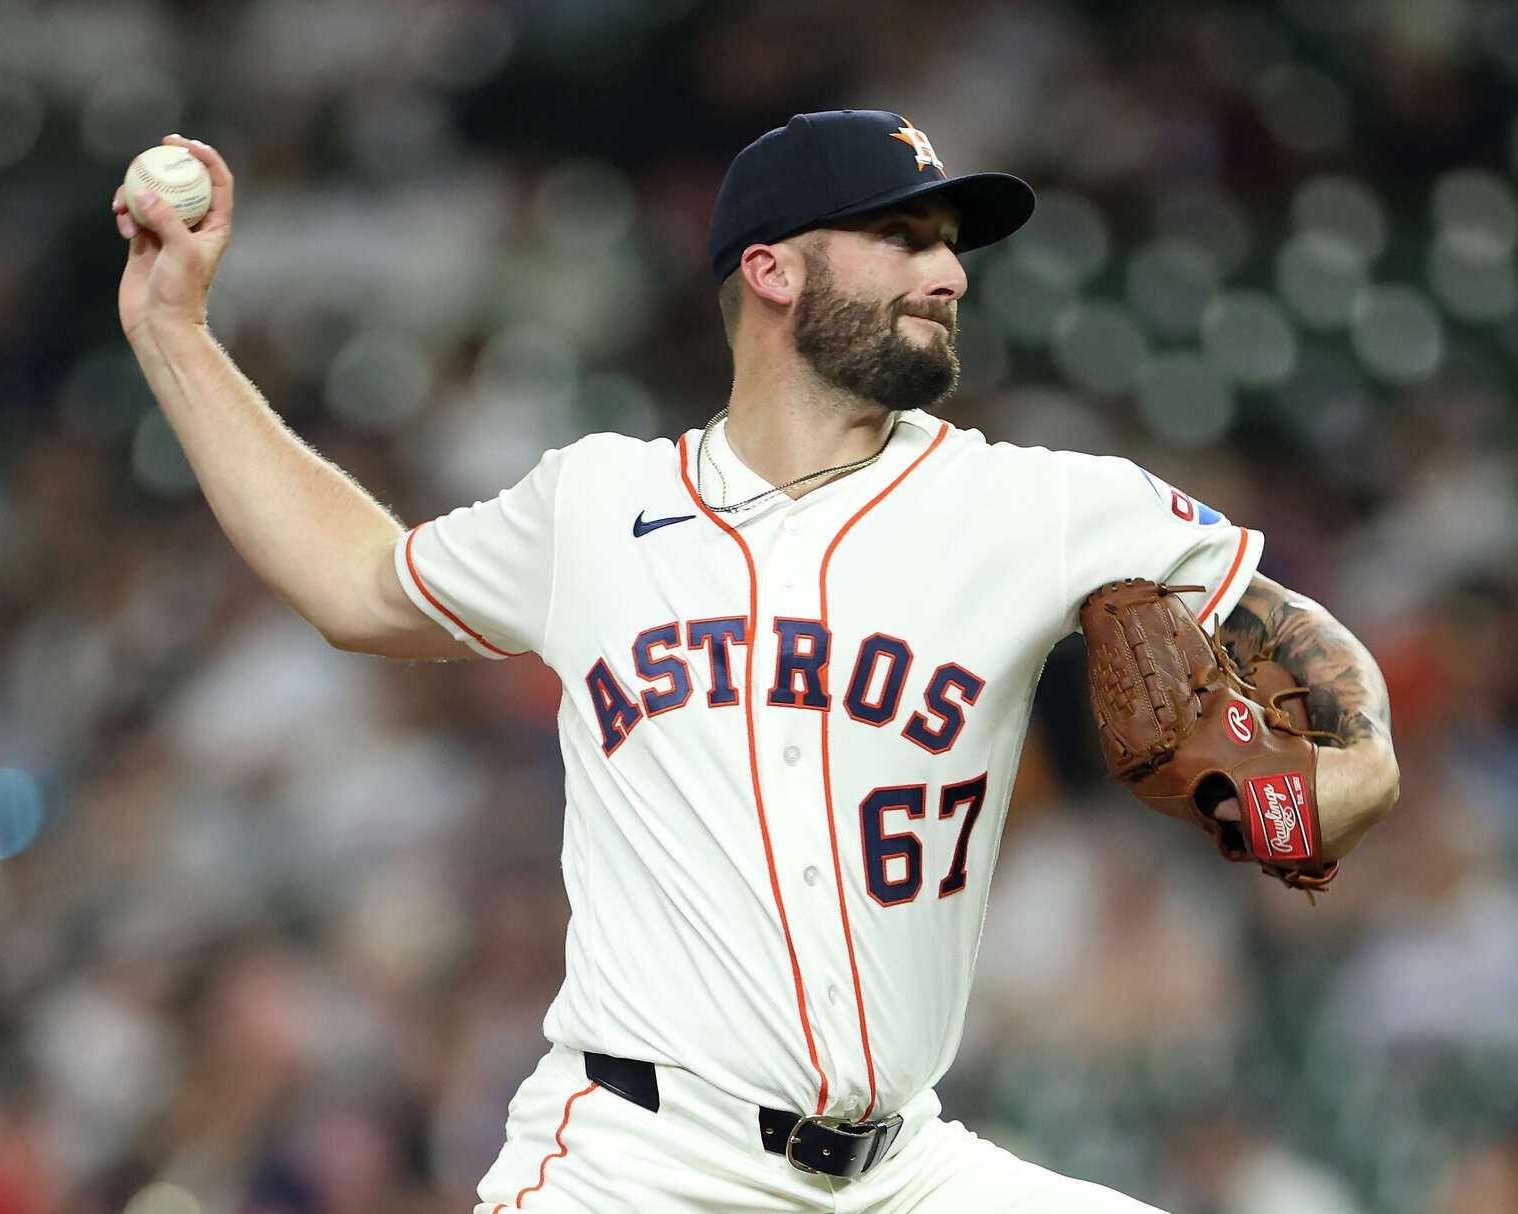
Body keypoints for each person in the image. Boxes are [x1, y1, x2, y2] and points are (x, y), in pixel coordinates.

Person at [112, 112, 1399, 1213]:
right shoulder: (596, 504)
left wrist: (1293, 798)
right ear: (772, 268)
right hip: (635, 1155)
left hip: (900, 1169)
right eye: (902, 235)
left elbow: (1334, 709)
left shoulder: (1040, 504)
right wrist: (174, 332)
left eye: (951, 244)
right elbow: (354, 581)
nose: (947, 272)